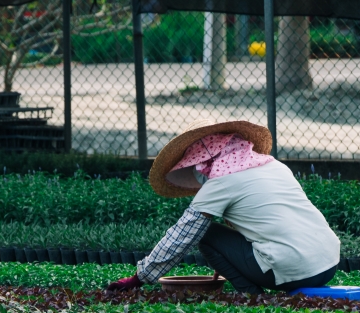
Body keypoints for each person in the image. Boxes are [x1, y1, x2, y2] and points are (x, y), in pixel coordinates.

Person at [105, 118, 340, 294]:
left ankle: (252, 297)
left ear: (205, 159)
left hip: (295, 272)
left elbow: (182, 235)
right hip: (329, 263)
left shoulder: (221, 183)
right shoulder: (274, 166)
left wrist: (139, 278)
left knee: (205, 232)